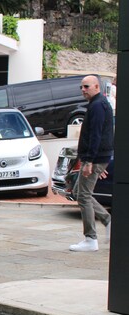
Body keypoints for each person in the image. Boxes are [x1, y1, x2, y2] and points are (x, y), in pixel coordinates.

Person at [69, 75, 113, 252]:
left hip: (94, 159)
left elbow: (96, 135)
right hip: (97, 158)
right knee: (79, 192)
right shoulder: (98, 104)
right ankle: (107, 220)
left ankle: (90, 239)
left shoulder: (97, 106)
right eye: (81, 87)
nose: (83, 90)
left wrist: (90, 162)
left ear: (96, 86)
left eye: (86, 86)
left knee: (83, 195)